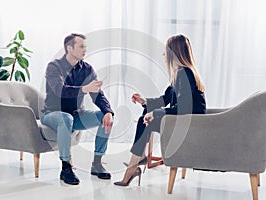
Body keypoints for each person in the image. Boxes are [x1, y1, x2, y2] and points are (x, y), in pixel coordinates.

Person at [114, 34, 206, 186]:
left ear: (173, 53)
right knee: (145, 116)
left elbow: (183, 109)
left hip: (190, 124)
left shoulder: (185, 74)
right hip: (183, 120)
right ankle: (139, 159)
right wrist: (144, 101)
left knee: (147, 120)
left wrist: (155, 113)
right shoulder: (179, 73)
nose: (164, 55)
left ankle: (132, 168)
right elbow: (165, 99)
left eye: (166, 51)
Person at [41, 33, 114, 185]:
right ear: (69, 48)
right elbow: (60, 90)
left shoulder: (87, 69)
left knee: (104, 118)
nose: (85, 50)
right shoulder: (54, 66)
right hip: (52, 114)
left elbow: (97, 95)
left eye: (85, 47)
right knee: (66, 118)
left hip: (76, 115)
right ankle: (66, 168)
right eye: (81, 46)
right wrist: (84, 89)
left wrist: (108, 111)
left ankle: (97, 163)